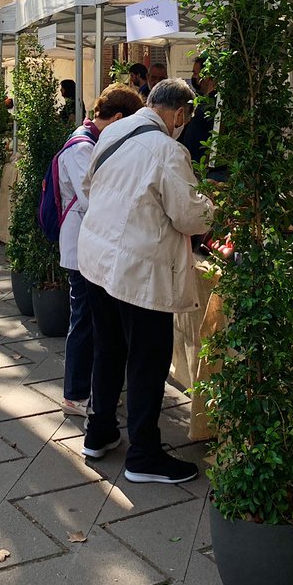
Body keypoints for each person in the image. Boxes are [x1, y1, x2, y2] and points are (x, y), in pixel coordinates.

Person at [78, 78, 212, 484]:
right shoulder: (169, 151)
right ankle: (143, 455)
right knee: (147, 361)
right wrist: (211, 205)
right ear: (180, 114)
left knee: (109, 349)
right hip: (139, 269)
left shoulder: (114, 130)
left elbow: (89, 185)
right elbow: (190, 216)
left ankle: (98, 433)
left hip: (97, 258)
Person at [57, 84, 145, 418]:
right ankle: (76, 394)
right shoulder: (82, 147)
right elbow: (93, 197)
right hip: (82, 245)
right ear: (118, 118)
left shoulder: (93, 141)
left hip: (93, 243)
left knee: (96, 321)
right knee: (84, 320)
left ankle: (95, 390)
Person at [180, 55, 217, 166]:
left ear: (207, 75)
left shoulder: (213, 103)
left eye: (196, 73)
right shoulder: (202, 100)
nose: (194, 77)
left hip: (205, 167)